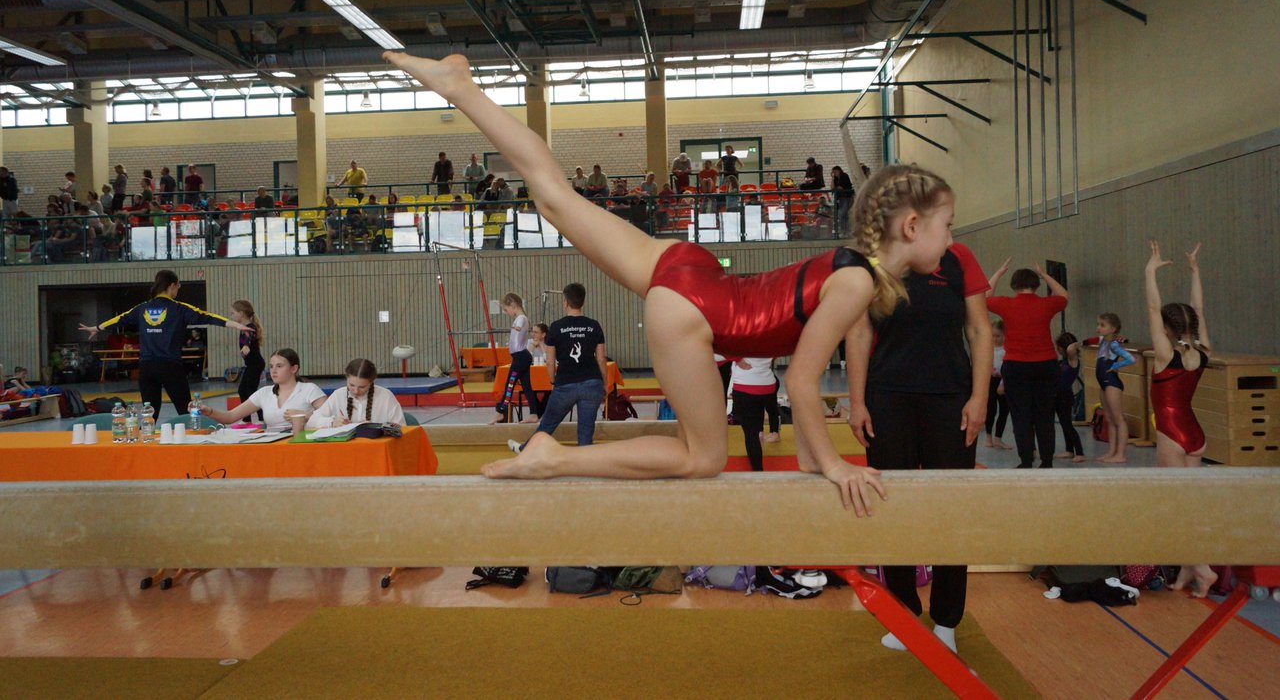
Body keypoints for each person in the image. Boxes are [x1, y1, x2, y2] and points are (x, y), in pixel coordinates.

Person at [383, 51, 949, 513]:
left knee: (555, 197)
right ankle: (553, 457)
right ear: (911, 226)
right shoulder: (856, 283)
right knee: (702, 458)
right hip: (694, 311)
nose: (950, 239)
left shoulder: (849, 269)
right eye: (946, 225)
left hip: (689, 268)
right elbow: (801, 382)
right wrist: (835, 465)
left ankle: (461, 88)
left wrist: (812, 458)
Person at [847, 238, 991, 654]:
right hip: (888, 399)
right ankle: (903, 612)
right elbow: (859, 332)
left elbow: (979, 329)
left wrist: (979, 397)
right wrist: (856, 402)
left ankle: (946, 619)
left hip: (951, 399)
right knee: (891, 506)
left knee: (952, 510)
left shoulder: (958, 256)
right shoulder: (873, 260)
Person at [78, 269, 252, 416]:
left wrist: (97, 327)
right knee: (185, 411)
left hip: (146, 367)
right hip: (170, 366)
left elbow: (120, 319)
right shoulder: (180, 308)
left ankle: (145, 443)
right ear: (172, 286)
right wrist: (236, 325)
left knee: (150, 414)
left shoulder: (142, 308)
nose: (178, 291)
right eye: (178, 287)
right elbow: (208, 317)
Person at [1145, 240, 1216, 597]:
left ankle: (1202, 568)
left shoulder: (1164, 354)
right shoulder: (1202, 350)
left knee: (1177, 507)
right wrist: (1195, 272)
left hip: (1171, 435)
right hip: (1194, 434)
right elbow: (1199, 309)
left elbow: (1152, 306)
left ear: (1167, 329)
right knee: (1190, 504)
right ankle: (1190, 569)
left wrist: (1150, 272)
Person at [986, 260, 1069, 468]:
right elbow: (1063, 295)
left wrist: (998, 272)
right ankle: (1047, 461)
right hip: (1046, 365)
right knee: (1045, 415)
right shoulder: (1046, 304)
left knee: (1020, 415)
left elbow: (984, 297)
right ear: (1036, 285)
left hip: (1016, 366)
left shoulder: (1006, 304)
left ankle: (1026, 461)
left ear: (1014, 285)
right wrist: (1045, 274)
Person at [510, 283, 608, 449]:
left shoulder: (556, 327)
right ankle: (585, 460)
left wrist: (552, 381)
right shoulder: (594, 326)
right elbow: (601, 359)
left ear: (565, 302)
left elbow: (549, 361)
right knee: (586, 433)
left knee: (547, 425)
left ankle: (525, 450)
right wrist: (604, 383)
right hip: (592, 383)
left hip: (565, 384)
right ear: (583, 302)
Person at [200, 348, 326, 431]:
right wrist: (209, 411)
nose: (273, 371)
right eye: (271, 366)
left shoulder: (309, 389)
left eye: (279, 366)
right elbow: (230, 417)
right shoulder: (264, 393)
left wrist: (306, 416)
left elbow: (330, 413)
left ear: (294, 369)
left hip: (302, 443)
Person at [307, 358, 406, 428]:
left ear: (371, 382)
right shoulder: (338, 395)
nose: (356, 391)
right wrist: (332, 422)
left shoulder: (385, 396)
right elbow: (311, 423)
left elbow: (401, 428)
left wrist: (376, 427)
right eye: (351, 385)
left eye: (362, 387)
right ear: (346, 378)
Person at [1091, 312, 1135, 463]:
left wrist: (1116, 365)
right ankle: (1111, 452)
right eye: (1098, 324)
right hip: (1103, 383)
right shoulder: (1103, 342)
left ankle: (1120, 454)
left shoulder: (1114, 345)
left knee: (1118, 419)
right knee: (1109, 419)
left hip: (1112, 383)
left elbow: (1131, 358)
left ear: (1113, 329)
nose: (1098, 328)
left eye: (1102, 325)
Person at [730, 357, 781, 472]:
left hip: (746, 386)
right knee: (756, 431)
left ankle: (757, 471)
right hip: (768, 384)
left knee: (751, 434)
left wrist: (735, 358)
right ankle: (768, 435)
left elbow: (721, 348)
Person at [491, 293, 535, 425]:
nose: (506, 312)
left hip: (520, 357)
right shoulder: (521, 318)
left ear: (513, 305)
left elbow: (519, 328)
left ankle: (501, 411)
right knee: (526, 386)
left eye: (506, 309)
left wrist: (513, 328)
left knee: (509, 384)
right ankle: (534, 413)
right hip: (521, 357)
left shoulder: (521, 318)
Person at [1053, 332, 1086, 463]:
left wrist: (1077, 343)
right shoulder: (1063, 362)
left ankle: (1080, 452)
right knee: (1063, 423)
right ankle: (1069, 450)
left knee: (1067, 424)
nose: (1057, 349)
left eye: (1059, 347)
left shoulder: (1073, 361)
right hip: (1057, 396)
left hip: (1065, 397)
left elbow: (1071, 349)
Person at [231, 299, 266, 406]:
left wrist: (246, 345)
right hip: (252, 365)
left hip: (255, 364)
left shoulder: (250, 327)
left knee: (251, 392)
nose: (231, 316)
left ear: (241, 313)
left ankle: (261, 414)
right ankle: (247, 415)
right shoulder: (244, 327)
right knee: (243, 391)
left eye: (233, 313)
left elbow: (249, 336)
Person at [984, 320, 1011, 449]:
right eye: (992, 336)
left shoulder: (1007, 349)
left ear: (1004, 335)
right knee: (990, 410)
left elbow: (1008, 367)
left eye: (998, 336)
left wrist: (1003, 383)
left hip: (1003, 380)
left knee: (1004, 410)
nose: (995, 339)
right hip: (990, 381)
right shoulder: (987, 348)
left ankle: (998, 438)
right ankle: (988, 436)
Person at [831, 166, 855, 237]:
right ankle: (846, 231)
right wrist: (832, 178)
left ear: (839, 171)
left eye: (835, 172)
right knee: (844, 215)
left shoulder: (844, 176)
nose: (834, 173)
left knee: (841, 214)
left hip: (846, 197)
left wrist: (838, 188)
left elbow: (842, 187)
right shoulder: (835, 179)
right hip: (840, 199)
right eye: (833, 172)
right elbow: (832, 187)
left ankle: (844, 230)